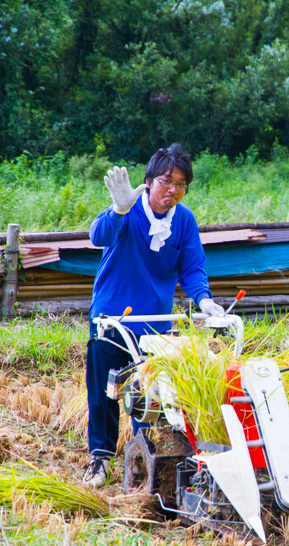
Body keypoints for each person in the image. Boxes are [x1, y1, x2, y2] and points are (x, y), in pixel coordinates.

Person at [82, 143, 224, 488]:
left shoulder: (184, 221)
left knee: (149, 398)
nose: (172, 190)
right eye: (165, 181)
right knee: (104, 391)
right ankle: (99, 459)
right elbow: (97, 236)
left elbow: (192, 268)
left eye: (180, 184)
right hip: (112, 320)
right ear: (148, 182)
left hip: (154, 327)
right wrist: (117, 208)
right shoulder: (128, 211)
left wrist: (204, 300)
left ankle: (147, 461)